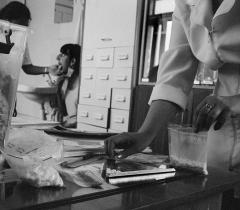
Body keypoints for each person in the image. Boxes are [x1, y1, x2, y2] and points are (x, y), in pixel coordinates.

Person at [48, 43, 81, 128]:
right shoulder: (64, 81)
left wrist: (63, 125)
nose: (58, 58)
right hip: (68, 126)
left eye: (63, 55)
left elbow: (81, 119)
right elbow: (64, 112)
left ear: (73, 61)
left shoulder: (82, 85)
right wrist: (57, 88)